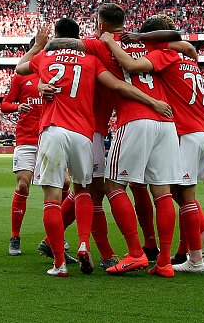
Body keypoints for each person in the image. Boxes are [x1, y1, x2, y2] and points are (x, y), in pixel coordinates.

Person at [17, 18, 172, 277]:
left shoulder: (52, 56)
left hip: (62, 128)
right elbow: (118, 83)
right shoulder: (95, 54)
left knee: (73, 192)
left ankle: (60, 254)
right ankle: (98, 248)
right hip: (89, 131)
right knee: (92, 190)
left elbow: (22, 68)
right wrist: (153, 101)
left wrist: (40, 54)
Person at [105, 14, 204, 273]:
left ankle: (199, 252)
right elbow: (187, 46)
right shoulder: (186, 55)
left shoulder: (163, 55)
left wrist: (117, 41)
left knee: (179, 195)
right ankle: (188, 250)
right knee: (178, 194)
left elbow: (133, 66)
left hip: (184, 130)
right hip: (203, 129)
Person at [0, 35, 46, 257]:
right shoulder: (21, 77)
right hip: (27, 139)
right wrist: (17, 107)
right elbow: (5, 104)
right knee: (23, 186)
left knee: (63, 185)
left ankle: (55, 235)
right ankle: (15, 236)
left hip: (49, 138)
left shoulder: (54, 73)